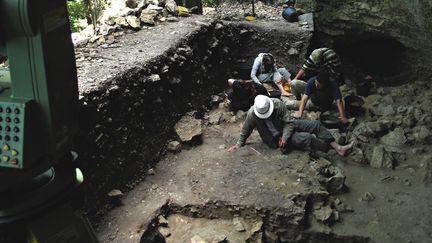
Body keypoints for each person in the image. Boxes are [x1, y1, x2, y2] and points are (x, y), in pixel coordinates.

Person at [228, 95, 354, 155]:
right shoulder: (252, 114)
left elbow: (289, 122)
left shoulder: (277, 104)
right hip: (273, 138)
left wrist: (285, 137)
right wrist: (238, 145)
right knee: (307, 138)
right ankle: (330, 149)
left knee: (315, 124)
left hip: (285, 127)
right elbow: (245, 131)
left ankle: (338, 147)